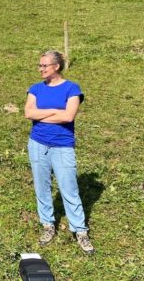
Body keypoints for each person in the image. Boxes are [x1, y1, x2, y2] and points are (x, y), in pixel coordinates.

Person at [24, 50, 94, 255]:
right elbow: (28, 113)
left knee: (69, 187)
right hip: (37, 144)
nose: (40, 69)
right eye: (40, 65)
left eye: (44, 65)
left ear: (56, 67)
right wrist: (56, 112)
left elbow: (69, 116)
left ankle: (80, 230)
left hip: (63, 145)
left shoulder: (72, 88)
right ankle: (48, 224)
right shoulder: (35, 88)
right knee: (42, 186)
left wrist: (42, 115)